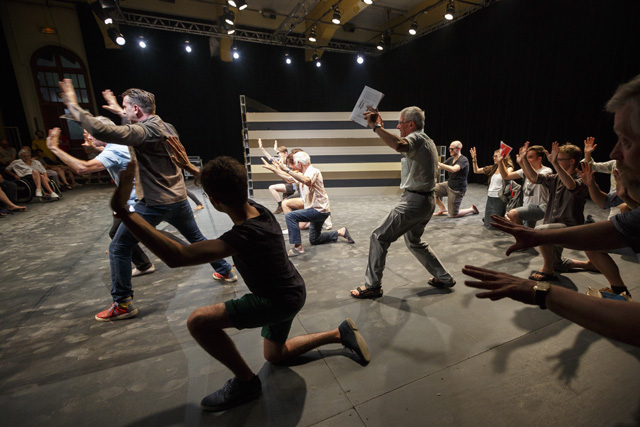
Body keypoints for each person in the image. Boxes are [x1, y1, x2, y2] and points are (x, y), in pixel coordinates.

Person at [110, 156, 370, 411]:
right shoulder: (259, 210)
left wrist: (125, 212)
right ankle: (339, 333)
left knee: (198, 322)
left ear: (214, 200)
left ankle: (246, 383)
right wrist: (192, 169)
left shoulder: (244, 235)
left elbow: (177, 256)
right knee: (275, 356)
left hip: (276, 301)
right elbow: (227, 186)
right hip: (292, 290)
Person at [58, 79, 236, 321]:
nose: (124, 110)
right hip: (178, 198)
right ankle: (225, 270)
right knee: (196, 237)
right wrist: (119, 110)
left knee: (119, 247)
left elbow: (104, 132)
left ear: (136, 109)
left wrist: (73, 106)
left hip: (155, 203)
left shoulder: (146, 131)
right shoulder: (166, 125)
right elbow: (136, 127)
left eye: (126, 106)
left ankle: (122, 303)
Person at [350, 106, 455, 299]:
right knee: (414, 241)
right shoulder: (426, 140)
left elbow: (398, 144)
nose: (398, 126)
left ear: (411, 124)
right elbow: (399, 144)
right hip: (426, 201)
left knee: (379, 237)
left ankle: (372, 286)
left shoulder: (417, 138)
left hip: (414, 202)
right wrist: (381, 128)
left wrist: (376, 127)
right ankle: (444, 277)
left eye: (400, 123)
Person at [46, 120, 156, 278]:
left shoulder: (114, 150)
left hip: (136, 201)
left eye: (90, 133)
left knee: (120, 237)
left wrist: (54, 148)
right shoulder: (119, 144)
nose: (88, 136)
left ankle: (139, 269)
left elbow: (83, 168)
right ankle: (144, 264)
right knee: (121, 233)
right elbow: (108, 150)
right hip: (139, 197)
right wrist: (94, 146)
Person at [519, 141, 593, 280]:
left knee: (541, 231)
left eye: (559, 159)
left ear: (571, 161)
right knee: (556, 263)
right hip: (554, 223)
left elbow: (571, 185)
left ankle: (548, 270)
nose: (556, 161)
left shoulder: (582, 178)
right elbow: (534, 178)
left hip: (569, 226)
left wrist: (555, 164)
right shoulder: (556, 178)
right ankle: (588, 264)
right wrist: (524, 160)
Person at [263, 151, 354, 256]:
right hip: (316, 210)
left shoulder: (314, 171)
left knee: (290, 216)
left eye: (295, 162)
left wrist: (287, 169)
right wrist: (275, 170)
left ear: (299, 163)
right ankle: (341, 232)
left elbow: (306, 181)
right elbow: (289, 179)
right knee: (315, 239)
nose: (293, 165)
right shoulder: (303, 173)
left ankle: (298, 248)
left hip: (319, 211)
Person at [499, 144, 552, 228]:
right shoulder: (524, 170)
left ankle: (521, 234)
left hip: (540, 207)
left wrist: (522, 164)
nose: (526, 160)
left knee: (513, 214)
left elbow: (534, 179)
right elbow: (506, 176)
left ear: (539, 159)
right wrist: (500, 162)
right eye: (526, 157)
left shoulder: (546, 171)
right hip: (527, 206)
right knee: (529, 230)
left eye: (530, 157)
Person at [469, 147, 514, 229]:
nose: (494, 158)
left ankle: (506, 219)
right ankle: (504, 217)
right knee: (487, 224)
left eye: (496, 156)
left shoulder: (509, 168)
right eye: (494, 156)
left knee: (494, 227)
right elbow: (476, 170)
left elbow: (506, 175)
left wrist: (501, 163)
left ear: (503, 157)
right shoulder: (493, 168)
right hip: (490, 197)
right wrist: (474, 159)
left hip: (499, 198)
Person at [434, 140, 478, 217]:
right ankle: (442, 208)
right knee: (430, 190)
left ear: (459, 149)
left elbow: (454, 169)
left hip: (457, 189)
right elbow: (438, 167)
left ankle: (472, 209)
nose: (450, 150)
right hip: (448, 184)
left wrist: (438, 163)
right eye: (449, 148)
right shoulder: (451, 159)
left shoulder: (463, 160)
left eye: (452, 149)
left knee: (453, 214)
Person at [258, 138, 295, 214]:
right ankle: (282, 206)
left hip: (292, 184)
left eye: (279, 153)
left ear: (285, 153)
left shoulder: (290, 161)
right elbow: (270, 158)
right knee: (287, 204)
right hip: (287, 183)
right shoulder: (280, 160)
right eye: (278, 153)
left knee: (272, 188)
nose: (278, 155)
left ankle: (280, 206)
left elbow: (288, 173)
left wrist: (277, 167)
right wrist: (262, 149)